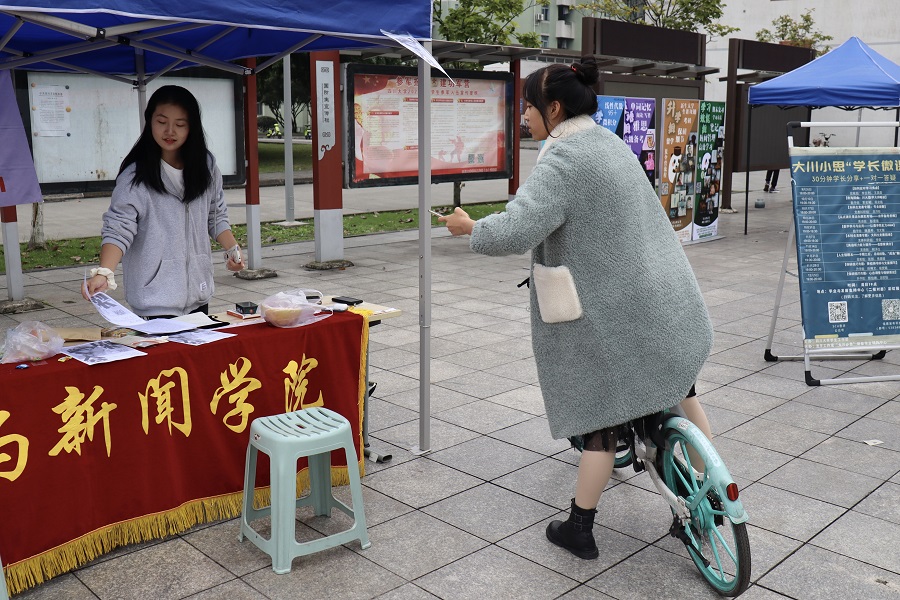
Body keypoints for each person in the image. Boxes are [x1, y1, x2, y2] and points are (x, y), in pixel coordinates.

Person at [439, 58, 714, 560]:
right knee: (682, 388)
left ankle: (579, 528)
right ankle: (711, 490)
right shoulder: (610, 142)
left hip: (615, 314)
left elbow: (516, 231)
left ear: (554, 109)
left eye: (529, 106)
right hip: (664, 301)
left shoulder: (563, 159)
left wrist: (469, 228)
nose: (524, 115)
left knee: (599, 420)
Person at [82, 85, 245, 317]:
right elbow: (119, 228)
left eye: (180, 124)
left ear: (192, 127)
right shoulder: (134, 178)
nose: (170, 131)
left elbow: (215, 215)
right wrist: (104, 272)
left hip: (198, 296)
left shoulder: (206, 167)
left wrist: (232, 250)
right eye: (161, 122)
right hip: (154, 301)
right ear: (150, 121)